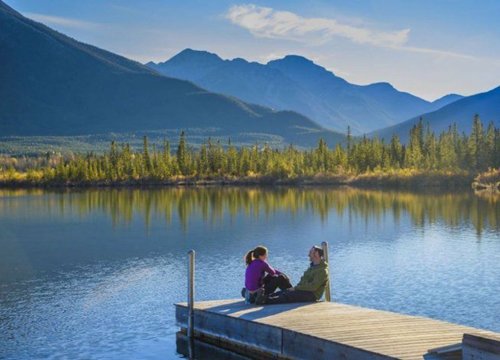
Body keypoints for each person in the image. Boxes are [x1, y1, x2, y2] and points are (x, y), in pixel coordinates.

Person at [255, 245, 329, 305]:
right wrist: (295, 288)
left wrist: (296, 288)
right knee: (284, 289)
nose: (308, 255)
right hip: (303, 290)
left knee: (288, 295)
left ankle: (264, 301)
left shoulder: (322, 271)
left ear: (316, 254)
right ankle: (263, 297)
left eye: (310, 252)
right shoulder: (312, 267)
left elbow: (313, 287)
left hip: (312, 295)